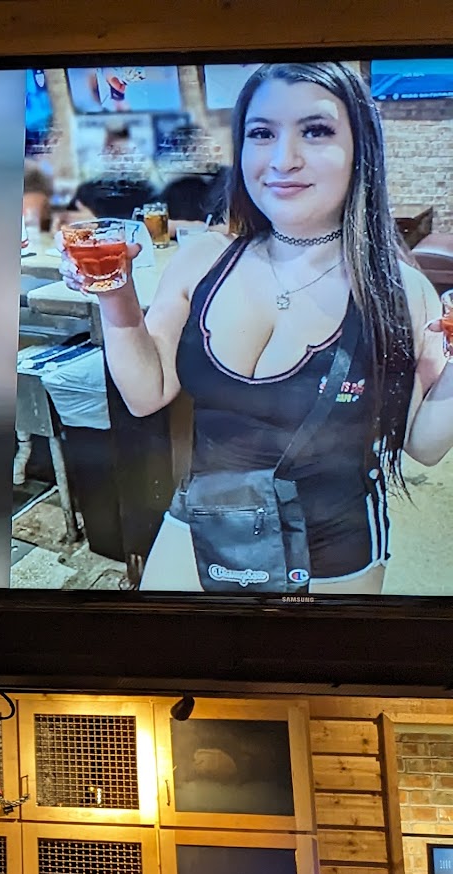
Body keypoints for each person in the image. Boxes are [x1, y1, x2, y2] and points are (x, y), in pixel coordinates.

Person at [72, 61, 453, 595]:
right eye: (261, 133)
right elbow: (145, 394)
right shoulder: (202, 260)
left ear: (360, 150)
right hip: (207, 518)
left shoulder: (400, 291)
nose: (282, 159)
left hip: (333, 541)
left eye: (315, 131)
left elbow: (424, 445)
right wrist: (116, 297)